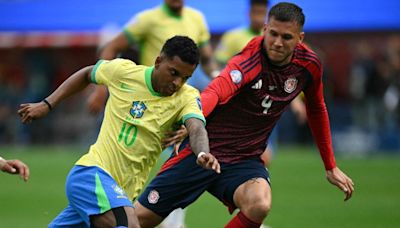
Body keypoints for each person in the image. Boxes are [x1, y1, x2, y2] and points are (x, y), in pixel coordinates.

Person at [134, 3, 355, 228]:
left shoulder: (310, 65)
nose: (278, 43)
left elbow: (317, 108)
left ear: (300, 38)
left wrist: (330, 166)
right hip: (202, 150)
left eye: (286, 37)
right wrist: (194, 119)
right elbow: (216, 91)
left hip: (244, 160)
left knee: (259, 203)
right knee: (140, 220)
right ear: (265, 29)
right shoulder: (250, 60)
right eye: (273, 34)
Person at [18, 36, 220, 228]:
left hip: (119, 193)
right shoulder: (124, 72)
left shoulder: (187, 96)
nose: (177, 83)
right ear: (158, 62)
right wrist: (47, 104)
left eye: (185, 78)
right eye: (173, 73)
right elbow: (88, 73)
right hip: (92, 174)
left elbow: (196, 126)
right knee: (130, 224)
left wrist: (202, 152)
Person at [215, 0, 306, 167]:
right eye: (255, 12)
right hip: (241, 108)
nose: (257, 17)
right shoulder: (233, 37)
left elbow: (284, 76)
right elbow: (219, 69)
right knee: (254, 157)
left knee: (264, 158)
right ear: (249, 13)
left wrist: (297, 101)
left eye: (261, 13)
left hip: (270, 107)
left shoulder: (280, 42)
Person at [88, 0, 219, 115]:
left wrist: (217, 79)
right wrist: (101, 89)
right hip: (146, 96)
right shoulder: (147, 19)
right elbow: (111, 48)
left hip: (177, 99)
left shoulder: (197, 18)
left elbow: (207, 59)